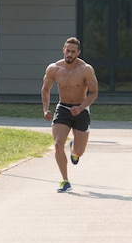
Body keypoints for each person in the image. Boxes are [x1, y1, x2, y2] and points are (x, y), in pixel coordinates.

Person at [41, 37, 99, 192]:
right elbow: (45, 89)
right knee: (58, 144)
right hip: (63, 109)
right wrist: (46, 109)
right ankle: (65, 181)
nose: (70, 54)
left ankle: (74, 150)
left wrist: (80, 108)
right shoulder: (54, 69)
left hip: (81, 110)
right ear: (63, 50)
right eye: (68, 50)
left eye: (73, 52)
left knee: (80, 152)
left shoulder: (86, 69)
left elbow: (94, 93)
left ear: (78, 53)